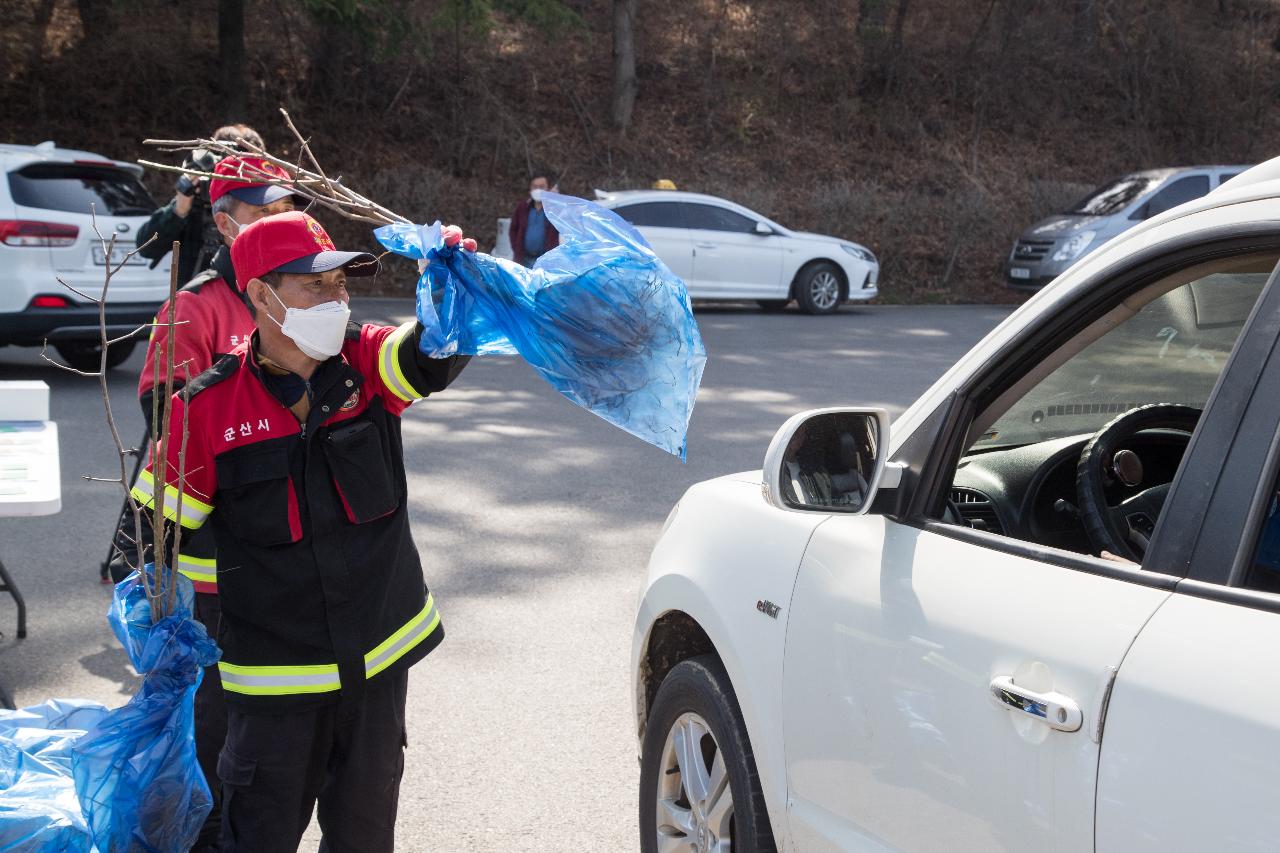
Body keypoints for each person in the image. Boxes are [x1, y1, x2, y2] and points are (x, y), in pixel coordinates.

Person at [131, 211, 473, 852]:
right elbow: (151, 539)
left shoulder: (365, 364)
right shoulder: (204, 410)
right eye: (314, 286)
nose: (336, 299)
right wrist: (175, 642)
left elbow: (430, 354)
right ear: (260, 294)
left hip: (376, 673)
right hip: (272, 690)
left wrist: (456, 291)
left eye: (342, 283)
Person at [115, 154, 296, 853]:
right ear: (224, 221)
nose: (280, 216)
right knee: (213, 738)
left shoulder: (294, 293)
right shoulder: (194, 307)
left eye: (285, 204)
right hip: (214, 573)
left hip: (283, 565)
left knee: (268, 744)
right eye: (263, 206)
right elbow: (171, 421)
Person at [136, 124, 265, 286]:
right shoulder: (196, 203)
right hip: (195, 304)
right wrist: (179, 210)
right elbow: (146, 248)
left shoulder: (270, 207)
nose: (233, 176)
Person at [508, 172, 560, 267]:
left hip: (546, 262)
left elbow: (564, 224)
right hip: (523, 260)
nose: (538, 190)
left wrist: (554, 200)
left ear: (548, 188)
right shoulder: (522, 207)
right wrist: (516, 248)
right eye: (535, 187)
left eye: (541, 187)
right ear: (530, 188)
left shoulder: (553, 209)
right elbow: (513, 229)